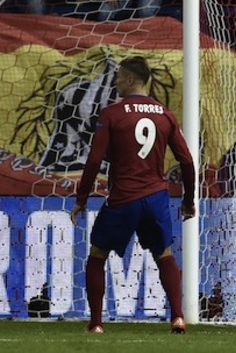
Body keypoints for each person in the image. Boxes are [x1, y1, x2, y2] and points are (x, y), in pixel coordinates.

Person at [70, 56, 196, 334]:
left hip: (124, 197)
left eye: (118, 77)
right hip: (156, 198)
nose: (115, 82)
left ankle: (96, 324)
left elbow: (93, 160)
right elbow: (187, 161)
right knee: (164, 254)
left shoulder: (112, 113)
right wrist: (189, 200)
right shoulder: (165, 114)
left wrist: (81, 199)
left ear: (129, 80)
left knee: (97, 255)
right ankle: (177, 316)